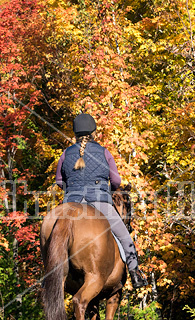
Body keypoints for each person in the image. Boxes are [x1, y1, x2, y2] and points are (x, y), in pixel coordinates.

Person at [55, 113, 148, 289]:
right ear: (94, 132)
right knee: (124, 235)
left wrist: (73, 190)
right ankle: (135, 272)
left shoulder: (66, 154)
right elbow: (116, 182)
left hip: (70, 203)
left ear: (75, 133)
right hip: (99, 202)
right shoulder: (104, 152)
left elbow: (59, 181)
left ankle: (48, 276)